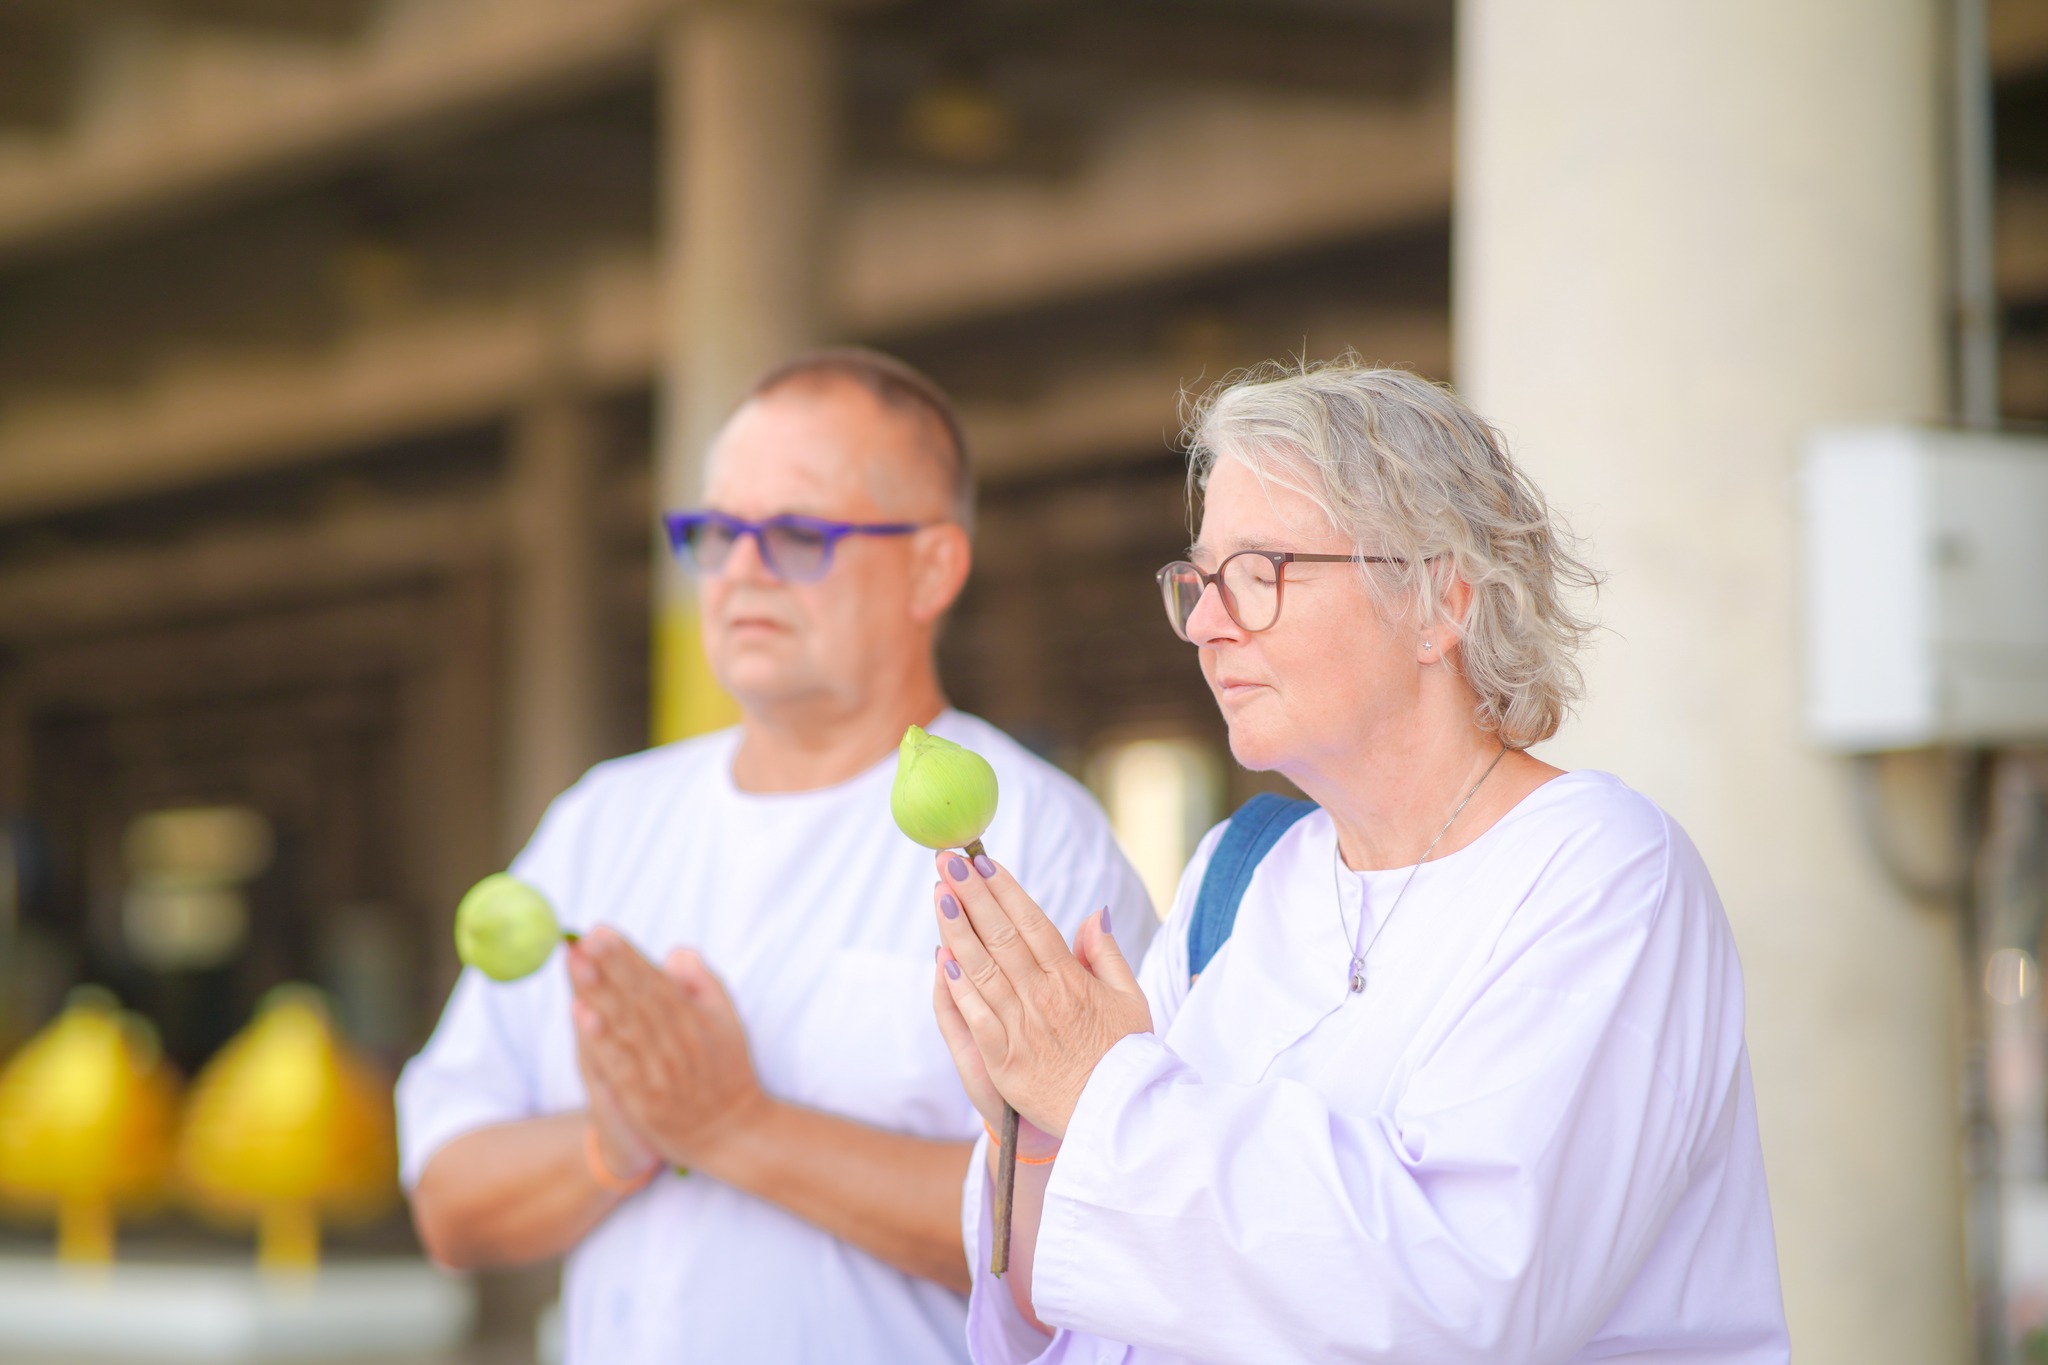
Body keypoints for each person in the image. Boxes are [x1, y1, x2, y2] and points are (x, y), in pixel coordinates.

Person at [928, 359, 1790, 1363]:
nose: (1205, 624)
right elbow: (1077, 1312)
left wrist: (1099, 1089)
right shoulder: (1236, 873)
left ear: (1440, 598)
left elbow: (1463, 1298)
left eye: (1259, 573)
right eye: (1199, 581)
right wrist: (1031, 1131)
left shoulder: (1598, 872)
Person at [398, 348, 1154, 1364]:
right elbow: (449, 1205)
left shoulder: (1024, 834)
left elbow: (1114, 1223)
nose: (741, 570)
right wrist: (613, 1142)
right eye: (714, 532)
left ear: (932, 566)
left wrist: (732, 1125)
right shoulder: (603, 820)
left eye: (797, 534)